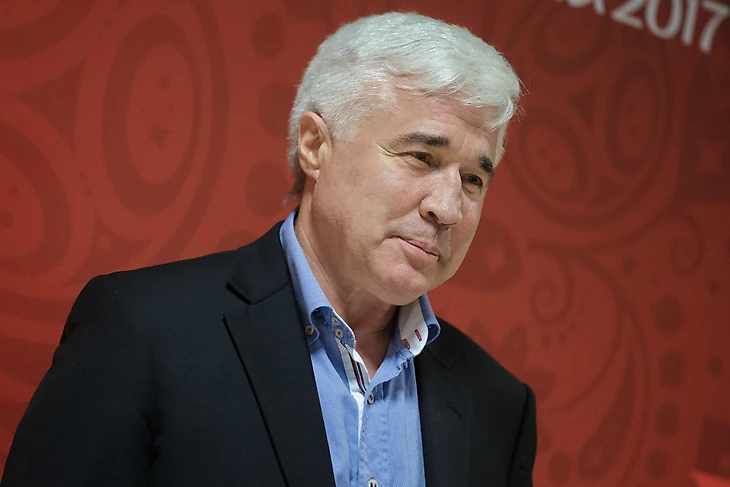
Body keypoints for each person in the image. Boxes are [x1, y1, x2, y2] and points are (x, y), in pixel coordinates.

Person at [1, 11, 536, 487]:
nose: (448, 207)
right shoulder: (142, 332)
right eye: (421, 157)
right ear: (315, 146)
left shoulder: (499, 405)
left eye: (473, 179)